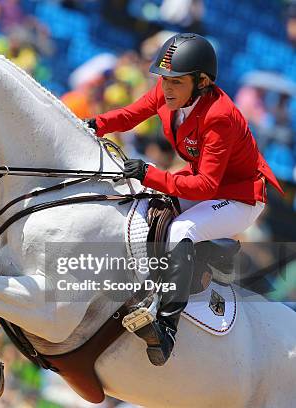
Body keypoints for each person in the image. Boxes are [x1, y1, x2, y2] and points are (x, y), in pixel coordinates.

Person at [86, 33, 284, 365]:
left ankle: (167, 328)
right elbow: (131, 115)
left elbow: (206, 186)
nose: (166, 88)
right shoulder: (171, 94)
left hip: (239, 197)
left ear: (202, 81)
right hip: (203, 182)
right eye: (163, 79)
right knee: (145, 204)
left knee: (180, 231)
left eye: (176, 81)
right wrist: (93, 126)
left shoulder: (219, 116)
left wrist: (149, 173)